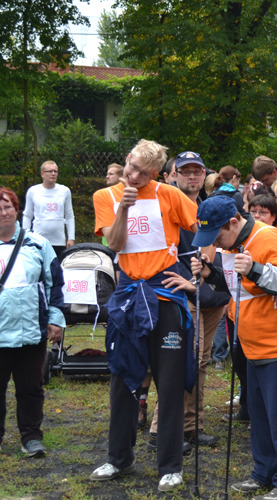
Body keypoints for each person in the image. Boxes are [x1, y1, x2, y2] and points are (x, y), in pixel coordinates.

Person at [89, 139, 198, 492]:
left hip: (165, 293)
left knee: (169, 382)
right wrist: (124, 207)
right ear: (126, 159)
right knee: (122, 376)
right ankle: (119, 458)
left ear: (156, 174)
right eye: (131, 167)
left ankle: (170, 464)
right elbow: (115, 245)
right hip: (128, 296)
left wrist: (197, 273)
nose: (134, 176)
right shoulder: (105, 197)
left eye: (143, 173)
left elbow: (203, 228)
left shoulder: (169, 194)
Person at [191, 196, 277, 500]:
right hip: (252, 347)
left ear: (233, 222)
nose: (215, 243)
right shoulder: (234, 246)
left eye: (218, 234)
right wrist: (211, 275)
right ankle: (265, 472)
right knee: (260, 416)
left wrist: (256, 269)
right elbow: (241, 286)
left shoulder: (270, 237)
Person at [147, 151, 229, 449]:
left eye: (197, 171)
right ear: (171, 175)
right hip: (181, 295)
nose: (191, 176)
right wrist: (183, 282)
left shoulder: (209, 207)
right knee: (180, 362)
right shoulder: (163, 208)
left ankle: (192, 426)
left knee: (201, 363)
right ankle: (161, 430)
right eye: (185, 171)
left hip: (212, 295)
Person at [0, 187, 65, 458]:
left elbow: (55, 284)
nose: (3, 213)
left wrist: (56, 319)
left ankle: (31, 438)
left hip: (31, 331)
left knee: (31, 388)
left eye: (7, 207)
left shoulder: (38, 243)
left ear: (17, 210)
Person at [22, 160, 75, 259]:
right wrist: (26, 237)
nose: (53, 174)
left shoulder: (65, 191)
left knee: (57, 271)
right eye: (50, 171)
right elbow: (27, 215)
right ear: (42, 174)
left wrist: (71, 238)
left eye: (55, 171)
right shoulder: (33, 191)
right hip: (38, 240)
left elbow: (69, 216)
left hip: (59, 241)